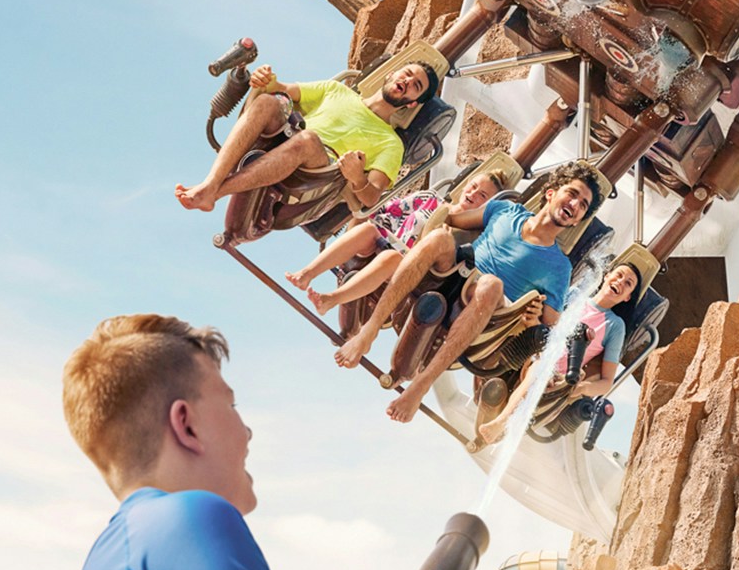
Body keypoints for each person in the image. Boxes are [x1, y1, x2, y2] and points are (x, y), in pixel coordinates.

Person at [61, 314, 399, 570]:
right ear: (186, 424)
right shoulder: (187, 521)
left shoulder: (115, 558)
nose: (248, 431)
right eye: (232, 404)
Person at [334, 161, 605, 423]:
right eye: (572, 194)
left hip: (487, 306)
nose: (574, 205)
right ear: (551, 193)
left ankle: (420, 386)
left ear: (578, 220)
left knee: (491, 284)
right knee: (440, 238)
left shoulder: (559, 267)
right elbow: (453, 217)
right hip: (454, 272)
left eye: (582, 206)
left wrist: (535, 314)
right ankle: (368, 331)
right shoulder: (506, 211)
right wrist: (440, 216)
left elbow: (552, 321)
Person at [175, 58, 439, 213]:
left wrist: (358, 177)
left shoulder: (391, 144)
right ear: (392, 73)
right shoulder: (337, 90)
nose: (407, 82)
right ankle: (210, 184)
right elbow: (281, 89)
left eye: (416, 86)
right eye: (407, 73)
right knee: (268, 101)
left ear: (412, 103)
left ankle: (216, 192)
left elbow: (371, 199)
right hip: (288, 136)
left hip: (318, 175)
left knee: (309, 140)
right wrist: (264, 78)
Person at [284, 167, 505, 316]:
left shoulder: (471, 235)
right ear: (465, 184)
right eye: (474, 186)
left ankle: (331, 299)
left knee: (392, 258)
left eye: (483, 195)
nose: (474, 193)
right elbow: (387, 213)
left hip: (413, 271)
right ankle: (307, 273)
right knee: (368, 229)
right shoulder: (429, 199)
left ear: (487, 207)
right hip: (388, 241)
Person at [470, 260, 637, 449]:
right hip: (532, 350)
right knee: (538, 359)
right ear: (606, 275)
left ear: (627, 298)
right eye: (619, 275)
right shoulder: (574, 296)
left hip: (557, 376)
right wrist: (532, 318)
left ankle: (500, 423)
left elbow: (606, 383)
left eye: (628, 283)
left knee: (542, 368)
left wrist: (579, 388)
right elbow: (545, 328)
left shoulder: (615, 326)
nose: (621, 282)